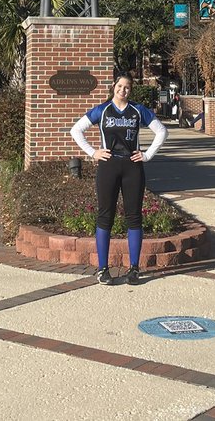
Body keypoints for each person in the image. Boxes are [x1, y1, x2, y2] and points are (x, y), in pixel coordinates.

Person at [70, 73, 167, 285]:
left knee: (134, 217)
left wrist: (147, 154)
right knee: (105, 215)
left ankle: (134, 268)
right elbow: (76, 130)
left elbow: (161, 131)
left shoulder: (138, 111)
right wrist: (92, 152)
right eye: (120, 86)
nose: (123, 90)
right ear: (114, 86)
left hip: (133, 167)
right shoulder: (102, 110)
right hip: (108, 166)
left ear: (130, 90)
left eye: (127, 87)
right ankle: (103, 269)